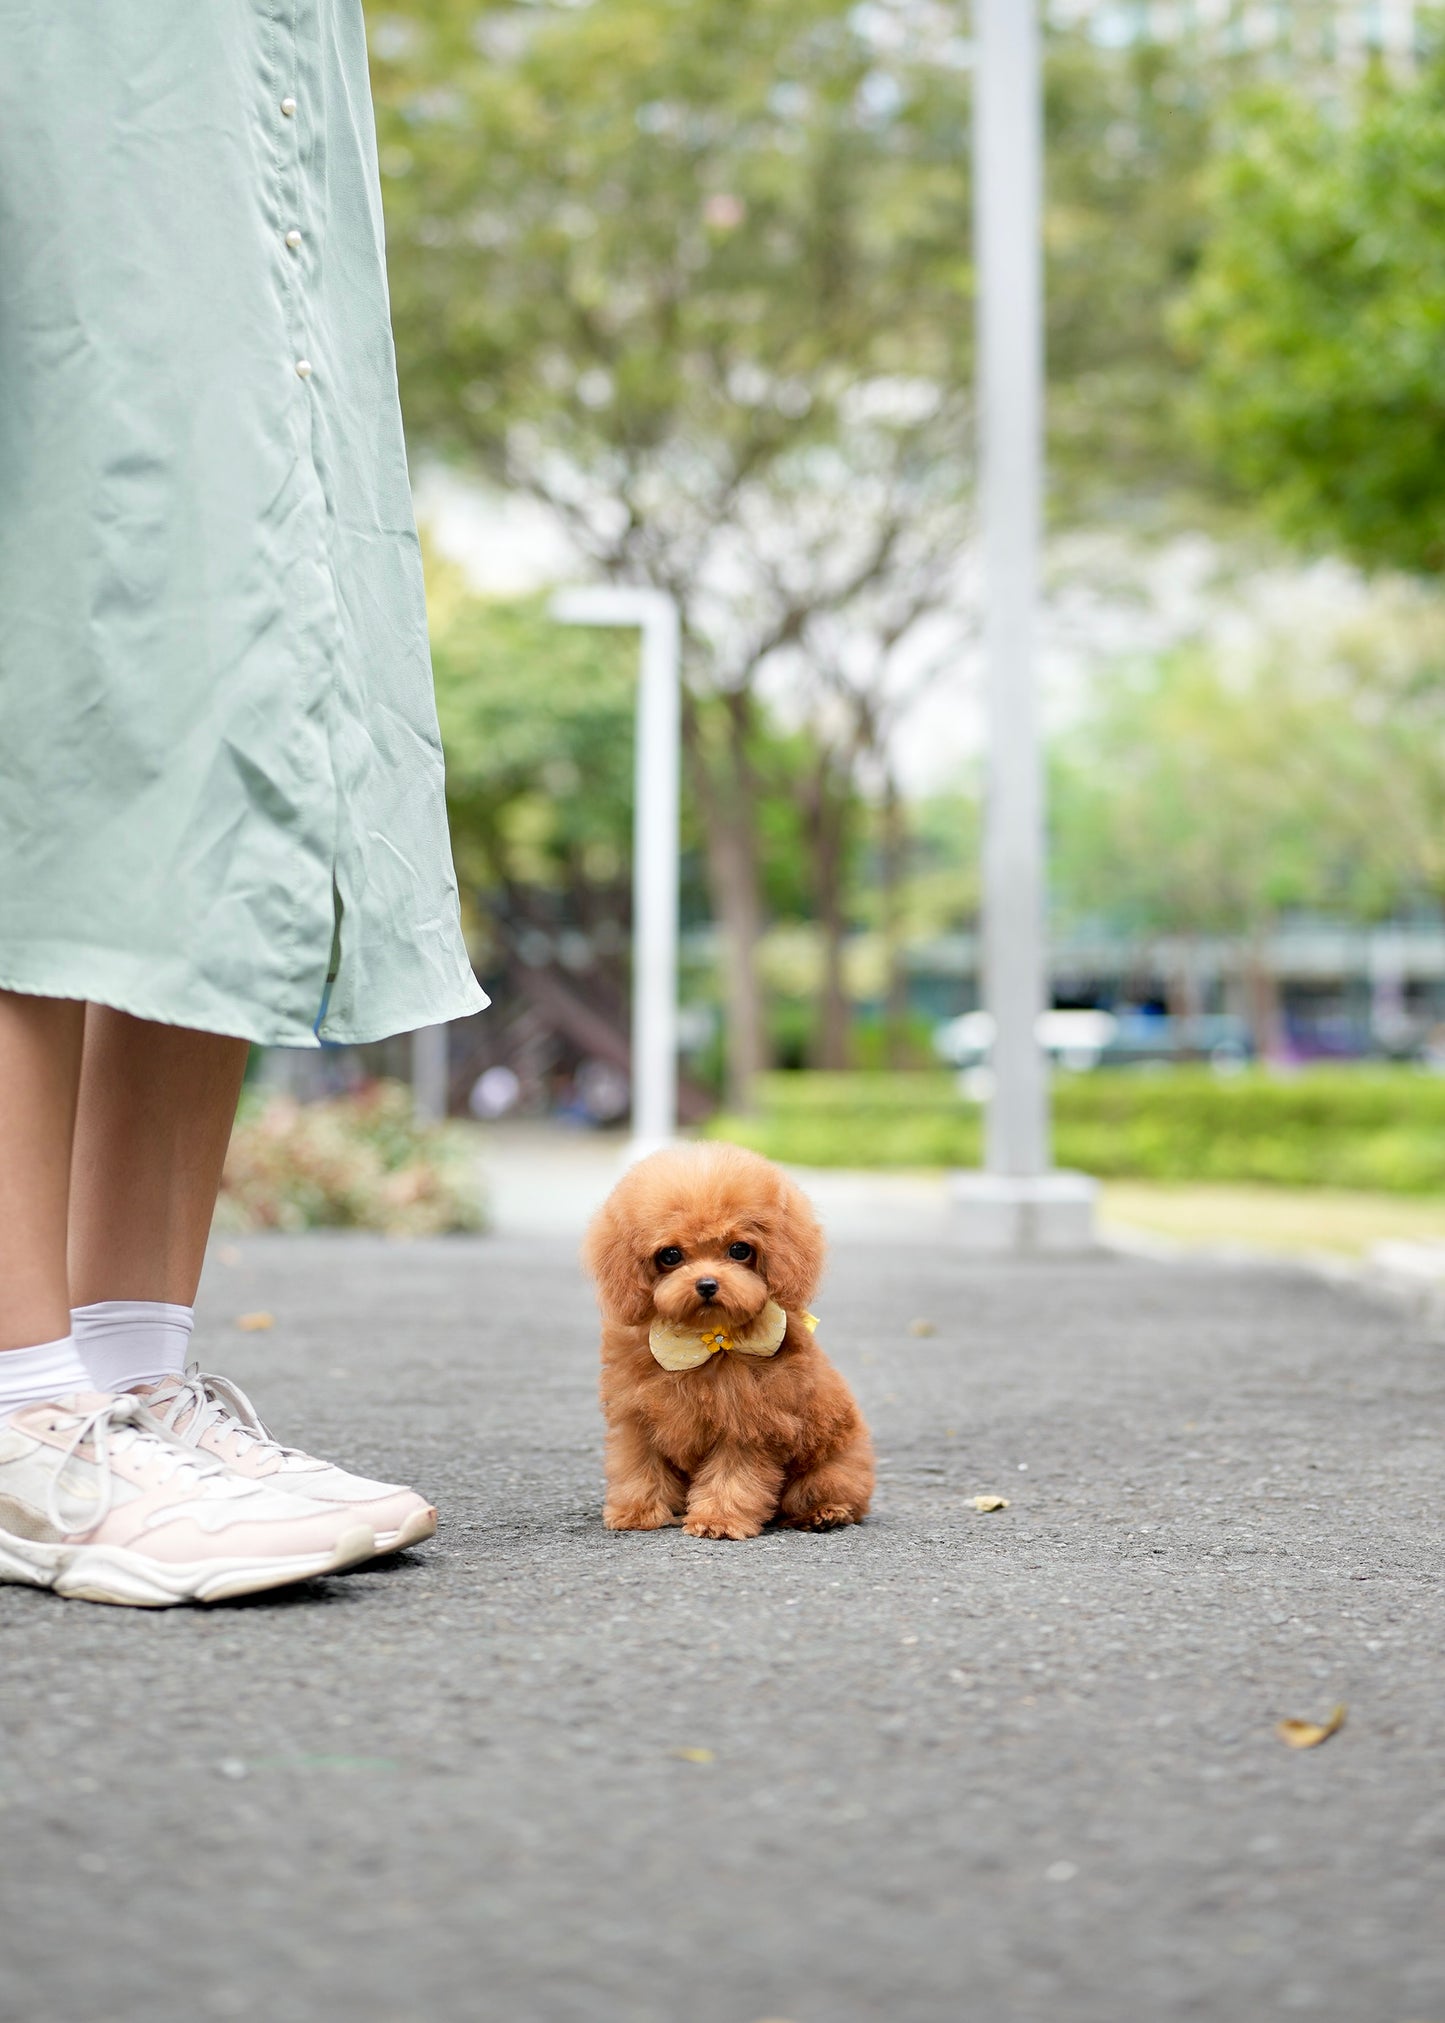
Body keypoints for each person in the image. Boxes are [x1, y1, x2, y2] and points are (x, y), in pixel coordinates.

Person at [0, 5, 488, 1605]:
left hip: (245, 92)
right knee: (43, 685)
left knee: (227, 681)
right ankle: (18, 1414)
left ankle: (130, 1378)